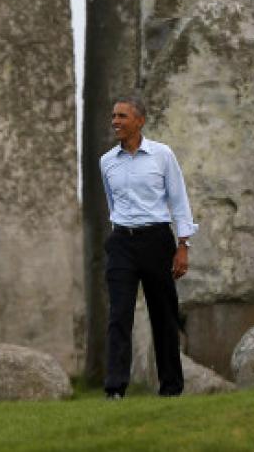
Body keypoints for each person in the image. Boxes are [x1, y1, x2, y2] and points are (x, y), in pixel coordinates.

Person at [99, 94, 198, 399]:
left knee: (163, 315)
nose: (115, 121)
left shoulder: (162, 155)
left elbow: (178, 200)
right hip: (121, 242)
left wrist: (183, 245)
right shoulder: (106, 162)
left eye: (122, 116)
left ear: (139, 121)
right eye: (114, 116)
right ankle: (115, 388)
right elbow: (112, 203)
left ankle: (171, 388)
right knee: (119, 315)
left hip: (156, 240)